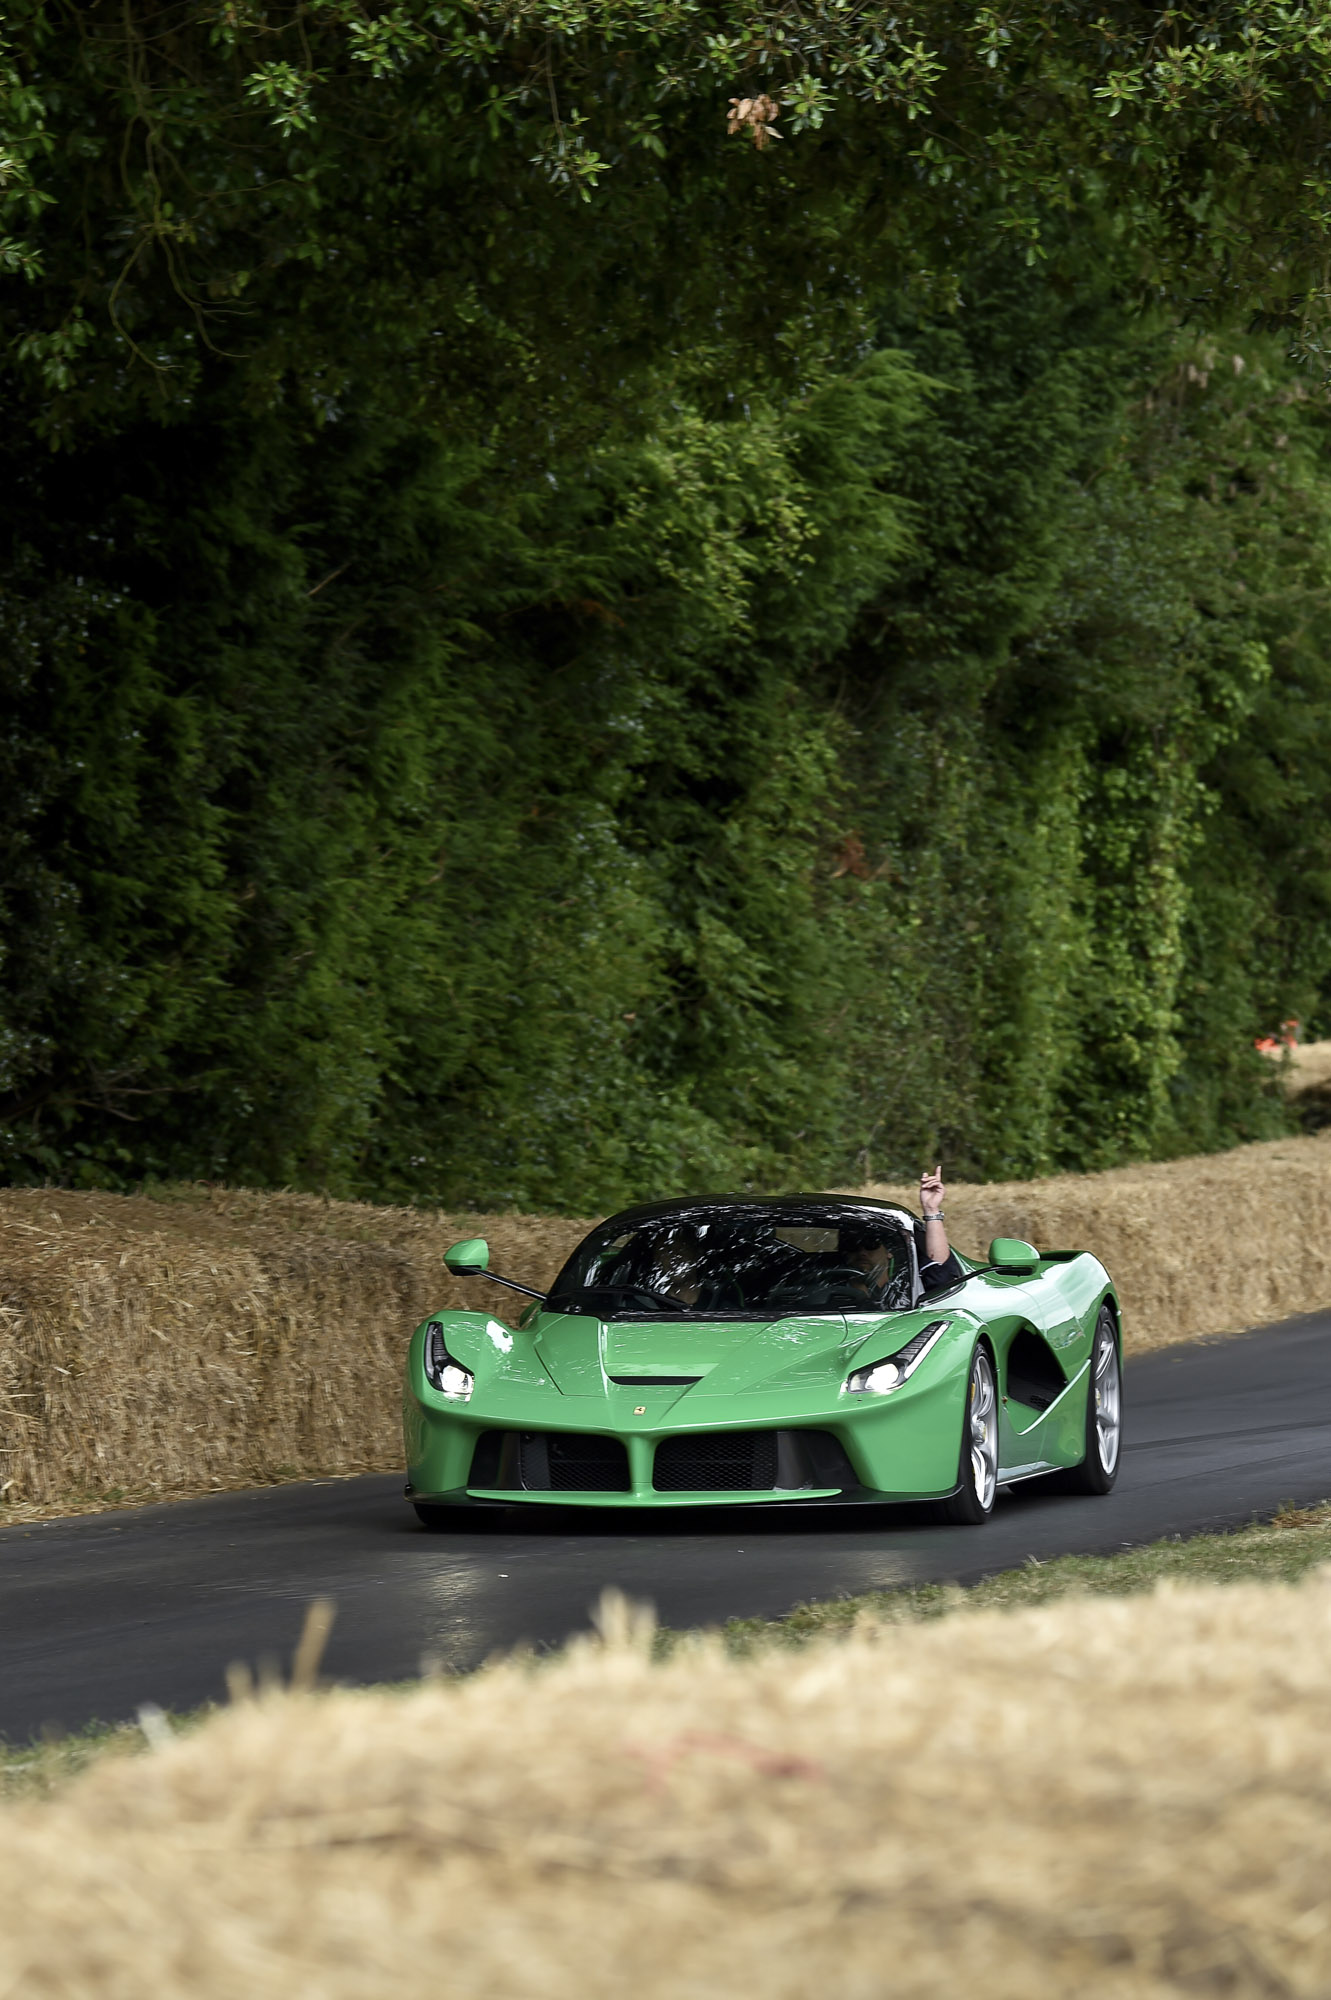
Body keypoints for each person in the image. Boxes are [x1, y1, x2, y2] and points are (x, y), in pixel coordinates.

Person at [916, 1163, 962, 1292]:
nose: (863, 1253)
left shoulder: (902, 1289)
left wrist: (931, 1209)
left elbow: (940, 1275)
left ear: (889, 1253)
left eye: (871, 1245)